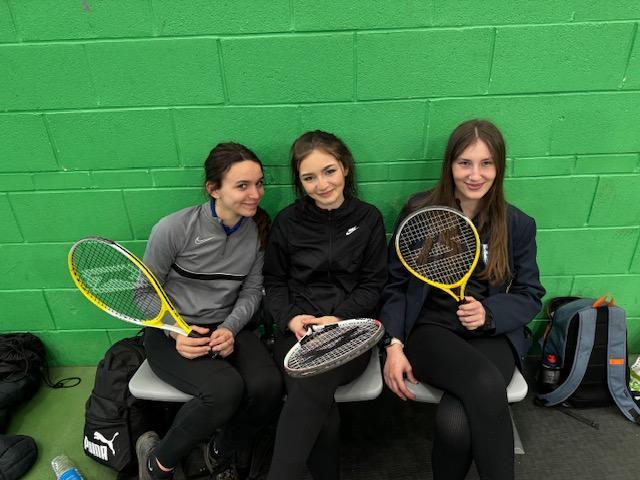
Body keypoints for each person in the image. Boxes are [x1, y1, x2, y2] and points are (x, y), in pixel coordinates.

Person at [380, 119, 545, 480]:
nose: (475, 175)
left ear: (499, 167)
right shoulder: (420, 211)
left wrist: (489, 313)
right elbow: (395, 285)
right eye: (465, 163)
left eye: (486, 163)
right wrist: (393, 344)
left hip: (490, 335)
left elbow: (530, 294)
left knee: (455, 424)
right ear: (450, 165)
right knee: (485, 384)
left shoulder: (517, 224)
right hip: (430, 331)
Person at [136, 143, 283, 480]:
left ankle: (218, 452)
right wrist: (175, 330)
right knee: (224, 389)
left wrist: (230, 328)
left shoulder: (258, 229)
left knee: (268, 386)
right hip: (171, 331)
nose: (256, 194)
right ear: (214, 189)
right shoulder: (172, 229)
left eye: (259, 183)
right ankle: (157, 464)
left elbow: (251, 292)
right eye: (243, 186)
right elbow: (143, 294)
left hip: (229, 327)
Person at [263, 130, 387, 480]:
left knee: (312, 388)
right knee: (324, 418)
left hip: (350, 332)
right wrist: (290, 318)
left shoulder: (368, 218)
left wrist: (340, 318)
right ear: (300, 182)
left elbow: (373, 284)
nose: (322, 184)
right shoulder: (287, 221)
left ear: (345, 167)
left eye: (329, 171)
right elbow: (274, 282)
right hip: (297, 332)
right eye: (309, 178)